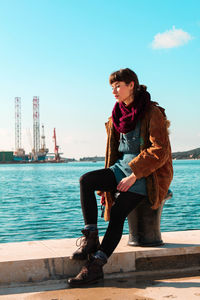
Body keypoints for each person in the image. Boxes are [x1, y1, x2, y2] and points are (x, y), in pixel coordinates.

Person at [67, 68, 173, 287]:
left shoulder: (152, 113)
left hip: (146, 174)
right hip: (120, 168)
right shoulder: (117, 114)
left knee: (117, 214)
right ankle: (91, 238)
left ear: (131, 85)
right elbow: (114, 151)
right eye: (112, 87)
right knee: (86, 180)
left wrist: (134, 176)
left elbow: (160, 151)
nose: (114, 91)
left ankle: (96, 266)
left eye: (118, 86)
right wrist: (113, 179)